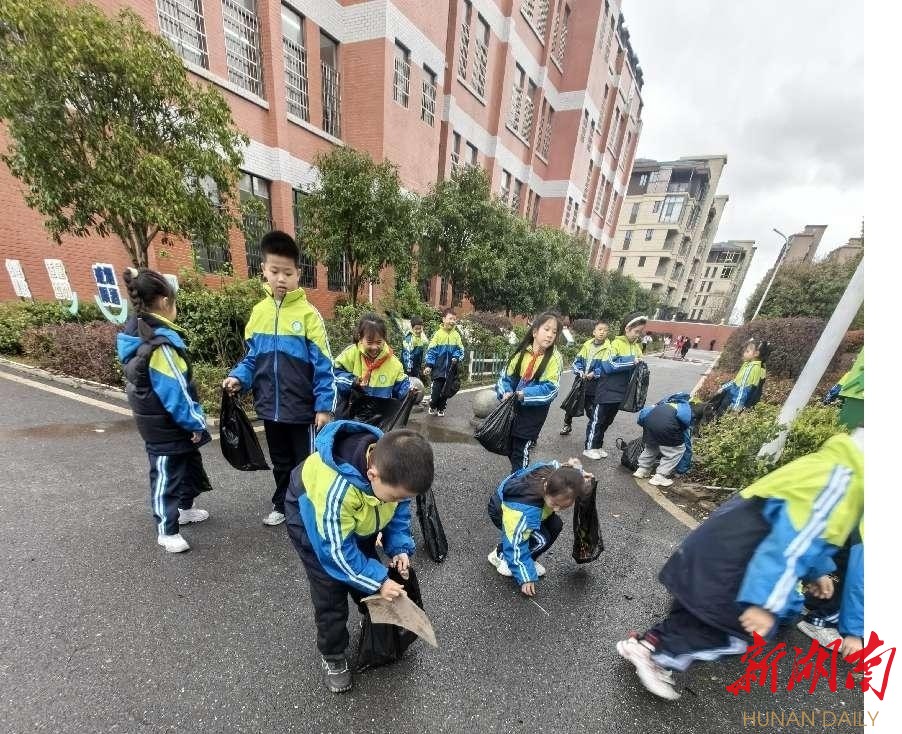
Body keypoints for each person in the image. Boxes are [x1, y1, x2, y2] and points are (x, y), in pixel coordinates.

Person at [616, 429, 864, 700]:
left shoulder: (831, 465)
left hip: (717, 547)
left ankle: (647, 645)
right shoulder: (845, 483)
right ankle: (658, 654)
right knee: (739, 635)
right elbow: (790, 544)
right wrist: (765, 605)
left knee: (695, 612)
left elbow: (800, 531)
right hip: (741, 564)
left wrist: (817, 571)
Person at [284, 421, 434, 693]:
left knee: (366, 569)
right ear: (373, 474)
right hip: (315, 527)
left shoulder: (393, 472)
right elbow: (335, 552)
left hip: (356, 517)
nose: (397, 501)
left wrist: (398, 544)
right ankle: (333, 656)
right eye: (394, 497)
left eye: (403, 498)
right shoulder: (336, 491)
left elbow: (397, 509)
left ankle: (374, 616)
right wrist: (378, 581)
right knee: (330, 589)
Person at [223, 231, 336, 526]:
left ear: (298, 274)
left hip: (302, 410)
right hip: (270, 409)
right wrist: (238, 378)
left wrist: (324, 406)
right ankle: (283, 504)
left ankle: (309, 510)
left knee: (307, 463)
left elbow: (324, 366)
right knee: (281, 461)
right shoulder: (258, 313)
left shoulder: (309, 315)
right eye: (275, 271)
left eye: (288, 272)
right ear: (263, 270)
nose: (281, 278)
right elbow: (251, 358)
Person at [117, 267, 212, 553]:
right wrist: (196, 422)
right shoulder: (159, 345)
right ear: (163, 302)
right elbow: (177, 393)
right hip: (167, 425)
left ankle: (183, 509)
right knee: (166, 475)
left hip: (162, 422)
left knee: (183, 467)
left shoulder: (140, 334)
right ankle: (166, 529)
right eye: (175, 302)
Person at [487, 459, 591, 595]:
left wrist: (580, 474)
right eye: (554, 504)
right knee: (541, 539)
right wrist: (526, 577)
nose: (557, 509)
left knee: (556, 525)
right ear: (547, 486)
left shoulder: (555, 475)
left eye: (563, 506)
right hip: (503, 511)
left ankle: (526, 559)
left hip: (532, 509)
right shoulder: (523, 512)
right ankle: (501, 556)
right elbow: (515, 542)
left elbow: (566, 473)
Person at [497, 311, 564, 472]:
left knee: (521, 451)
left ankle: (519, 486)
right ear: (534, 332)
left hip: (532, 415)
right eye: (546, 329)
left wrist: (524, 394)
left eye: (554, 332)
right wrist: (505, 392)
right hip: (512, 412)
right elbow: (504, 378)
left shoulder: (554, 358)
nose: (550, 335)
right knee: (511, 448)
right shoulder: (521, 353)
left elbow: (551, 389)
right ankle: (517, 480)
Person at [583, 312, 647, 461]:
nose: (638, 335)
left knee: (607, 421)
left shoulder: (636, 346)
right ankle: (589, 447)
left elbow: (639, 366)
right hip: (606, 391)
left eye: (640, 332)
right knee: (597, 420)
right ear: (627, 328)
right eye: (636, 331)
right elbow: (608, 365)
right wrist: (632, 361)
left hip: (621, 393)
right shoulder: (615, 344)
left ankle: (598, 445)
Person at [334, 313, 411, 420]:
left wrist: (410, 391)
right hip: (350, 417)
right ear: (360, 338)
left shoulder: (394, 363)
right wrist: (352, 382)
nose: (374, 347)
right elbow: (334, 374)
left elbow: (402, 387)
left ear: (385, 339)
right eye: (369, 342)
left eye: (379, 342)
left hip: (379, 419)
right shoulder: (351, 354)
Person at [633, 394, 704, 487]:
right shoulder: (687, 412)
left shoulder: (667, 402)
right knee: (677, 450)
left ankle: (642, 469)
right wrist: (681, 470)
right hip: (667, 426)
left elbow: (643, 415)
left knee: (652, 446)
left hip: (649, 423)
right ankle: (660, 476)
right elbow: (687, 445)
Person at [560, 320, 610, 436]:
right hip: (580, 381)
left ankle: (594, 429)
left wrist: (595, 373)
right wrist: (580, 371)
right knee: (571, 404)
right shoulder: (587, 345)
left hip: (594, 385)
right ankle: (567, 425)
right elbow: (576, 362)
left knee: (590, 408)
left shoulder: (609, 348)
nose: (602, 332)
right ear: (594, 332)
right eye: (600, 329)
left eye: (605, 330)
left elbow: (607, 366)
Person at [710, 338, 770, 416]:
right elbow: (737, 381)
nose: (744, 353)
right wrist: (724, 387)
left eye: (747, 351)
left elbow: (743, 388)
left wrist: (736, 407)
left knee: (719, 417)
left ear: (756, 354)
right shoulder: (754, 365)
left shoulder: (751, 368)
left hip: (732, 400)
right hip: (735, 398)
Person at [423, 308, 464, 417]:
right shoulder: (438, 334)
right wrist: (429, 365)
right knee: (436, 390)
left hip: (450, 370)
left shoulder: (456, 335)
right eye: (450, 318)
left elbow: (460, 350)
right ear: (443, 319)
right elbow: (431, 351)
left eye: (454, 319)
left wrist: (456, 357)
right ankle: (432, 405)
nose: (452, 321)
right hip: (438, 369)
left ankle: (441, 408)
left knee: (446, 391)